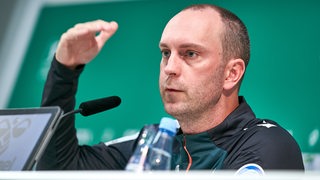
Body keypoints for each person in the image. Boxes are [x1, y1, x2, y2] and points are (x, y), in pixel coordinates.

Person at [37, 4, 304, 172]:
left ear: (231, 74)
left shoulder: (266, 145)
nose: (169, 68)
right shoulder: (153, 143)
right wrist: (64, 70)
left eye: (190, 54)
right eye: (166, 53)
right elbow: (59, 169)